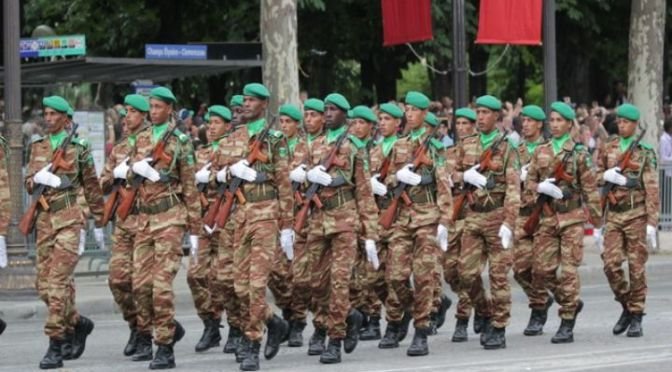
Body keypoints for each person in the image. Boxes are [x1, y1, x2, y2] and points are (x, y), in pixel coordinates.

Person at [209, 83, 292, 371]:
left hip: (266, 214)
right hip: (239, 217)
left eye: (252, 101)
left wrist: (287, 226)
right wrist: (228, 171)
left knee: (256, 285)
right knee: (239, 286)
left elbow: (283, 182)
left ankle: (252, 343)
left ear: (264, 105)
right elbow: (211, 175)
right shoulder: (232, 138)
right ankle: (273, 322)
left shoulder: (274, 139)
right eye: (243, 100)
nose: (245, 104)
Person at [295, 93, 378, 364]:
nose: (327, 113)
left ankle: (335, 338)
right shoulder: (315, 143)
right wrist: (307, 174)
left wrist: (370, 235)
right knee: (316, 282)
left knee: (340, 281)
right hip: (318, 220)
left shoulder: (354, 146)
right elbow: (299, 172)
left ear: (345, 115)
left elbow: (365, 192)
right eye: (326, 109)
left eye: (333, 110)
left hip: (345, 220)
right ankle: (348, 317)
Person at [26, 95, 105, 369]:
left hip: (70, 219)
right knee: (43, 286)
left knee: (58, 282)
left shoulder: (79, 147)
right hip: (45, 220)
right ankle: (77, 323)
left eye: (53, 114)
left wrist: (99, 216)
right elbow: (28, 182)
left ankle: (55, 345)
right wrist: (37, 178)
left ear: (65, 118)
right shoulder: (37, 146)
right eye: (45, 114)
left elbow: (92, 184)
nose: (48, 118)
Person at [124, 86, 200, 369]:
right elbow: (130, 175)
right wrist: (136, 170)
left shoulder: (180, 140)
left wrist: (195, 230)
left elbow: (190, 186)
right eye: (151, 106)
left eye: (158, 107)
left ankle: (165, 346)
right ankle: (168, 327)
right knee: (139, 285)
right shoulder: (141, 137)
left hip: (170, 218)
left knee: (160, 287)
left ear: (170, 109)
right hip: (144, 220)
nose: (153, 111)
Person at [379, 92, 452, 356]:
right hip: (401, 218)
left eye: (414, 110)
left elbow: (444, 184)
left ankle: (421, 331)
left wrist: (444, 220)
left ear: (424, 114)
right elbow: (386, 180)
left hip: (427, 217)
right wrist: (397, 177)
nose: (408, 114)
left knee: (423, 278)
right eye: (406, 110)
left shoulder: (436, 147)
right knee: (395, 277)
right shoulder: (399, 145)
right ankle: (419, 310)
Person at [525, 101, 601, 344]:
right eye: (553, 120)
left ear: (569, 124)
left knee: (568, 272)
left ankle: (567, 321)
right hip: (546, 218)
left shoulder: (579, 153)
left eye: (560, 121)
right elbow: (527, 185)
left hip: (571, 219)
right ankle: (570, 301)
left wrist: (599, 225)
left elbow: (590, 189)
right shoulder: (540, 151)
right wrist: (539, 186)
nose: (555, 125)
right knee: (541, 271)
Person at [454, 95, 519, 350]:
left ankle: (499, 327)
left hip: (497, 216)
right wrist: (463, 175)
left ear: (497, 118)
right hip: (473, 215)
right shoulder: (467, 144)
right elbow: (450, 173)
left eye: (485, 113)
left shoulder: (507, 149)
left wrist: (509, 222)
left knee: (498, 276)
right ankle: (484, 309)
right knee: (465, 273)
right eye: (478, 112)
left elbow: (514, 188)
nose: (480, 117)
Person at [595, 103, 659, 337]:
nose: (621, 125)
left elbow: (652, 188)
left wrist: (652, 223)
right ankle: (627, 305)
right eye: (619, 122)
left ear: (634, 124)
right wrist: (604, 175)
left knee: (636, 267)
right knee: (610, 265)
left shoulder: (644, 152)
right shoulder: (608, 147)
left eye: (626, 122)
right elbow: (594, 177)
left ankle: (637, 316)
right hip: (614, 214)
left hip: (637, 215)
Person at [99, 94, 149, 358]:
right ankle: (135, 324)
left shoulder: (152, 143)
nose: (126, 116)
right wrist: (114, 175)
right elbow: (103, 181)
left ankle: (146, 333)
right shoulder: (118, 148)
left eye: (132, 112)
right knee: (117, 280)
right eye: (125, 111)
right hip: (123, 221)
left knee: (142, 283)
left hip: (147, 220)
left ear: (143, 116)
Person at [441, 107, 489, 343]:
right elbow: (446, 176)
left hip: (473, 215)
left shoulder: (483, 149)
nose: (461, 128)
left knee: (467, 271)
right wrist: (461, 176)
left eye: (465, 124)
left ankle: (462, 319)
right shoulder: (450, 152)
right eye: (457, 124)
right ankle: (482, 305)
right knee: (450, 271)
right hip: (453, 215)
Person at [189, 105, 234, 352]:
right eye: (210, 122)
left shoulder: (233, 151)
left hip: (229, 220)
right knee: (195, 275)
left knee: (224, 278)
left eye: (217, 122)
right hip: (205, 220)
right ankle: (211, 323)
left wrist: (217, 175)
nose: (212, 127)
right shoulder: (201, 153)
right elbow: (190, 186)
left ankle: (236, 327)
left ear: (228, 126)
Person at [513, 105, 553, 336]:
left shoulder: (549, 150)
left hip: (544, 212)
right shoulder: (514, 151)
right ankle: (541, 301)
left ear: (540, 124)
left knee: (541, 268)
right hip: (521, 213)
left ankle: (541, 308)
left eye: (530, 121)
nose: (525, 124)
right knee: (519, 268)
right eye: (523, 120)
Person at [289, 98, 325, 349]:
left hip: (325, 219)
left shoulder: (333, 143)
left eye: (314, 115)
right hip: (299, 217)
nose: (309, 119)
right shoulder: (298, 145)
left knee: (321, 279)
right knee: (300, 279)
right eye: (307, 115)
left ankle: (322, 328)